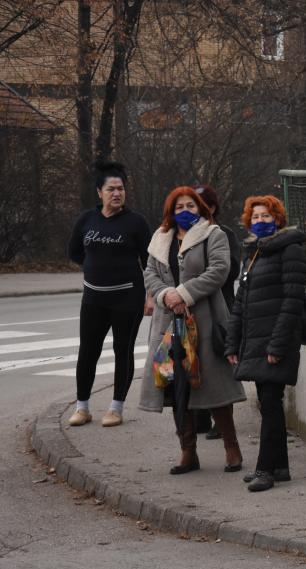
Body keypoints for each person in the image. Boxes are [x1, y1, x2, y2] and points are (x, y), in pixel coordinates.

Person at [139, 187, 246, 474]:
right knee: (176, 387)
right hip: (168, 323)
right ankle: (188, 452)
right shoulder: (160, 238)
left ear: (200, 208)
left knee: (214, 384)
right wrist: (166, 296)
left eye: (190, 205)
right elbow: (149, 273)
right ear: (170, 212)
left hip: (205, 319)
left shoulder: (212, 234)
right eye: (179, 207)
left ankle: (231, 447)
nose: (185, 211)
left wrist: (183, 294)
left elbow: (219, 270)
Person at [225, 195, 306, 493]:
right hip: (256, 340)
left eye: (266, 216)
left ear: (278, 219)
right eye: (255, 217)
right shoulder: (255, 251)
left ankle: (265, 469)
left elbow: (293, 301)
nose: (260, 221)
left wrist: (277, 345)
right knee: (268, 403)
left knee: (271, 403)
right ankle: (280, 466)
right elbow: (241, 302)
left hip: (276, 341)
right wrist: (232, 342)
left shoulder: (291, 249)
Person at [66, 161, 150, 428]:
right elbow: (74, 252)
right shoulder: (86, 220)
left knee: (122, 351)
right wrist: (96, 268)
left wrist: (150, 296)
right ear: (99, 192)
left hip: (127, 299)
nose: (117, 193)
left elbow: (150, 261)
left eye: (120, 189)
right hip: (93, 299)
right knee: (87, 352)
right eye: (111, 189)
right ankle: (82, 407)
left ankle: (116, 408)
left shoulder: (136, 222)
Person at [191, 184, 241, 440]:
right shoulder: (186, 235)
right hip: (192, 309)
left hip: (220, 308)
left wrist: (203, 275)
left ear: (211, 208)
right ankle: (199, 416)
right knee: (194, 362)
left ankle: (221, 421)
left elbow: (230, 271)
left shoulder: (224, 234)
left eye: (199, 206)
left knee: (218, 366)